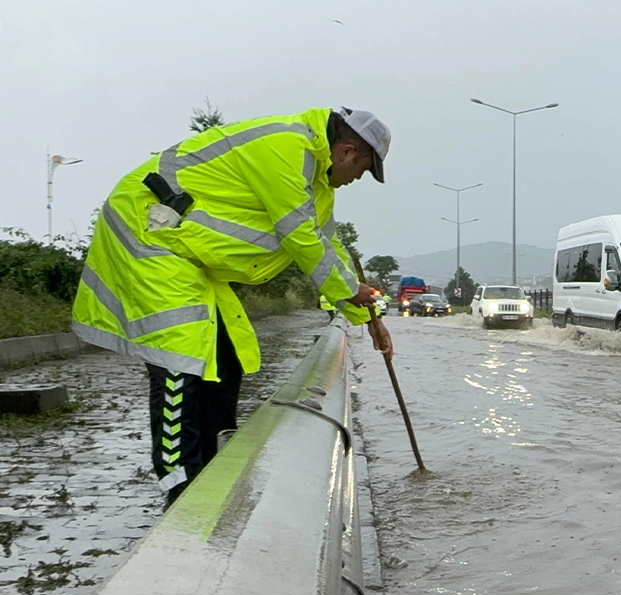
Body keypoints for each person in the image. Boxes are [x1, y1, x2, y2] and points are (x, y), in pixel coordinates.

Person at [71, 107, 393, 504]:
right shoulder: (286, 146)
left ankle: (214, 469)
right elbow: (301, 238)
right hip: (150, 236)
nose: (356, 180)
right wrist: (349, 293)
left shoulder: (317, 183)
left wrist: (368, 316)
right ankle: (180, 486)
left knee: (226, 358)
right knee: (181, 359)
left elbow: (330, 247)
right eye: (362, 170)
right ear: (346, 152)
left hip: (189, 256)